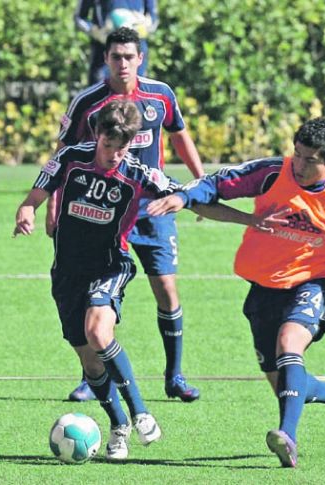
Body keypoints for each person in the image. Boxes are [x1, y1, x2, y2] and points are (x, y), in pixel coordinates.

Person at [147, 117, 325, 468]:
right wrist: (185, 196)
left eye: (311, 160)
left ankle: (287, 436)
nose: (299, 164)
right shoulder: (269, 173)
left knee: (288, 344)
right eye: (297, 154)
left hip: (313, 283)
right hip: (263, 289)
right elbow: (220, 183)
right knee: (285, 385)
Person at [13, 99, 176, 460]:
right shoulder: (70, 157)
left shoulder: (138, 173)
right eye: (107, 145)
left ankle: (140, 411)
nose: (113, 154)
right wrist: (27, 209)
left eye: (121, 147)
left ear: (131, 143)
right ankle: (119, 425)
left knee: (99, 332)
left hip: (110, 266)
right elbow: (37, 192)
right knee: (90, 361)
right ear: (97, 135)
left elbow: (188, 193)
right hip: (67, 273)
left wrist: (198, 203)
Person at [50, 26, 205, 403]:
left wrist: (201, 183)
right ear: (105, 59)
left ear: (140, 58)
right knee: (88, 296)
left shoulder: (161, 95)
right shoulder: (87, 102)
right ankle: (91, 378)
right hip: (100, 210)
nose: (123, 63)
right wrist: (52, 206)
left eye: (129, 56)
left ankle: (175, 376)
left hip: (151, 208)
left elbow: (180, 135)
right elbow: (63, 154)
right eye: (115, 56)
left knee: (166, 289)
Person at [74, 1, 158, 85]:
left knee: (136, 94)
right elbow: (79, 17)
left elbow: (154, 18)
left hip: (135, 53)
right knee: (100, 94)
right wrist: (94, 31)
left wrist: (144, 27)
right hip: (103, 55)